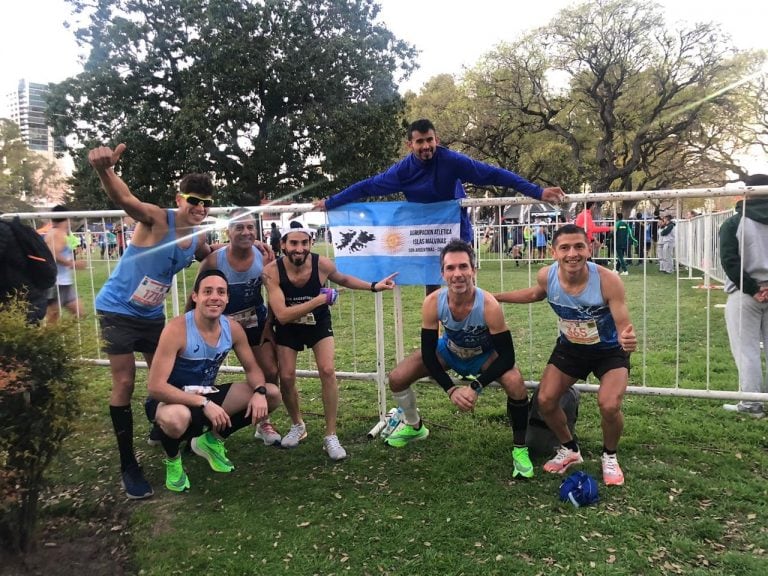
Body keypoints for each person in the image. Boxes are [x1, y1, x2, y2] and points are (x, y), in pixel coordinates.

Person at [89, 142, 215, 499]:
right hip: (117, 310)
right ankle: (128, 464)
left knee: (167, 380)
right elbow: (126, 200)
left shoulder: (196, 234)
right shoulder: (158, 218)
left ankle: (164, 430)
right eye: (194, 200)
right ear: (179, 199)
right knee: (125, 382)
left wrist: (248, 249)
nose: (200, 208)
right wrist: (104, 170)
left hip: (150, 315)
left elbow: (207, 253)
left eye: (206, 203)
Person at [314, 119, 566, 291]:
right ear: (410, 145)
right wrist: (331, 202)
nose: (425, 146)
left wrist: (538, 191)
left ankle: (472, 336)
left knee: (465, 280)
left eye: (429, 140)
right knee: (432, 287)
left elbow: (494, 174)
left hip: (456, 230)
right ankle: (432, 344)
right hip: (423, 234)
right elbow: (367, 186)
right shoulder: (402, 171)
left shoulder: (452, 161)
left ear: (437, 139)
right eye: (419, 141)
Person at [495, 224, 637, 486]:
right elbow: (535, 294)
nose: (573, 253)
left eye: (579, 246)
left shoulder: (608, 280)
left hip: (608, 351)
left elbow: (623, 326)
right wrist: (495, 297)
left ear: (590, 248)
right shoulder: (546, 276)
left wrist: (626, 339)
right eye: (565, 248)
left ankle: (610, 456)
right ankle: (570, 449)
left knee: (609, 404)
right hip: (571, 348)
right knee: (546, 401)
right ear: (554, 252)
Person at [384, 239, 534, 479]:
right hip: (449, 351)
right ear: (442, 273)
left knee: (516, 383)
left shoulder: (489, 305)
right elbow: (428, 352)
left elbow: (507, 356)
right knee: (397, 378)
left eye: (463, 267)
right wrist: (452, 390)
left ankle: (520, 449)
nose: (458, 274)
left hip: (483, 356)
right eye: (451, 268)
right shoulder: (433, 302)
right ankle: (414, 427)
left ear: (474, 270)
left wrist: (476, 386)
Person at [262, 221, 397, 460]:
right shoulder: (272, 271)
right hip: (289, 326)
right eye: (293, 243)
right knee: (287, 376)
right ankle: (298, 425)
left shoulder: (321, 264)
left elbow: (343, 279)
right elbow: (282, 315)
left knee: (327, 370)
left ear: (311, 243)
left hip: (317, 323)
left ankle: (331, 435)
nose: (299, 248)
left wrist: (374, 286)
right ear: (283, 244)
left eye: (304, 243)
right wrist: (318, 300)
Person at [146, 269, 282, 492]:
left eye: (221, 292)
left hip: (205, 393)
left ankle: (211, 440)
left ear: (227, 298)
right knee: (176, 418)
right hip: (169, 401)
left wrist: (259, 391)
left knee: (272, 394)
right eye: (207, 291)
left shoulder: (233, 328)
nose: (214, 297)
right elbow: (156, 387)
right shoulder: (177, 329)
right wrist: (204, 404)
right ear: (195, 296)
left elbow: (253, 369)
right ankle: (173, 462)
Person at [197, 208, 282, 444]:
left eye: (250, 227)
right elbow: (196, 294)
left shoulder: (264, 256)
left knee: (270, 370)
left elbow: (273, 292)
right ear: (228, 230)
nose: (245, 232)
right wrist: (190, 328)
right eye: (239, 227)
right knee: (200, 373)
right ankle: (193, 420)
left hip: (255, 321)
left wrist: (269, 325)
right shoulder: (215, 259)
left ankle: (263, 422)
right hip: (218, 324)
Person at [719, 174, 768, 418]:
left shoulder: (734, 223)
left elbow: (730, 261)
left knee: (746, 350)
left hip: (745, 293)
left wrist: (753, 288)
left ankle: (751, 404)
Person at [45, 205, 87, 323]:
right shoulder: (57, 233)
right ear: (66, 218)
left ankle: (67, 337)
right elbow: (53, 253)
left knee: (80, 314)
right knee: (51, 323)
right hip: (56, 284)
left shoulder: (60, 233)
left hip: (65, 283)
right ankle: (43, 340)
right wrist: (72, 263)